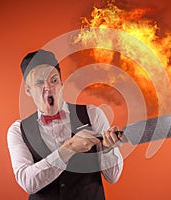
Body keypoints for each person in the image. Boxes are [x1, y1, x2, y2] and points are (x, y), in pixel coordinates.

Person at [7, 49, 123, 200]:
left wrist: (108, 150)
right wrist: (69, 148)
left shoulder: (92, 114)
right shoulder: (18, 130)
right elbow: (28, 182)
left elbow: (113, 177)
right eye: (39, 83)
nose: (48, 87)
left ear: (62, 83)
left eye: (53, 80)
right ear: (28, 90)